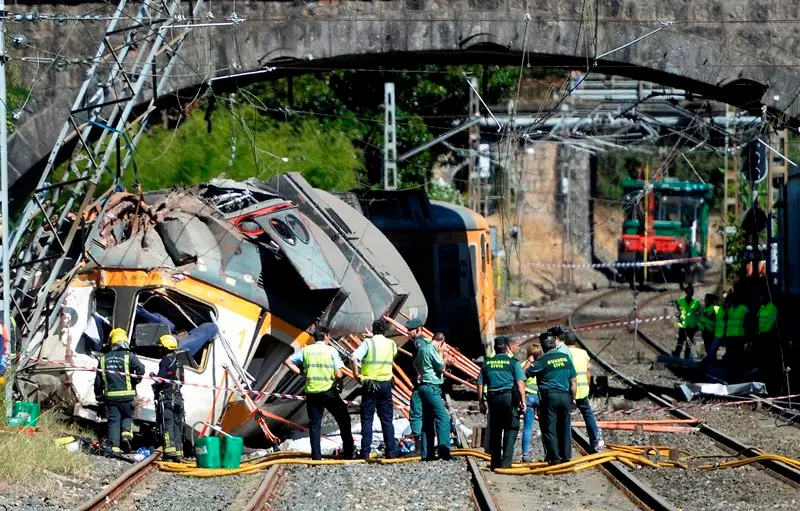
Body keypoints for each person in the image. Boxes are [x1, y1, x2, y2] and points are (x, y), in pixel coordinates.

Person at [284, 328, 354, 460]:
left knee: (315, 425)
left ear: (315, 338)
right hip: (329, 392)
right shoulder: (331, 351)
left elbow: (288, 361)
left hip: (312, 392)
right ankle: (349, 453)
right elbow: (339, 373)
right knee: (343, 419)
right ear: (326, 337)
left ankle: (316, 457)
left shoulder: (306, 350)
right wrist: (340, 383)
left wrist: (301, 373)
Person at [350, 318, 399, 459]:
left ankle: (365, 452)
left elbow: (353, 358)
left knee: (367, 419)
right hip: (385, 384)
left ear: (373, 329)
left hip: (370, 384)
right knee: (387, 419)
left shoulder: (368, 343)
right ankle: (391, 451)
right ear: (385, 330)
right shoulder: (391, 344)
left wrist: (356, 375)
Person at [526, 332, 577, 465]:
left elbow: (525, 374)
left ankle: (554, 458)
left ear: (543, 346)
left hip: (549, 397)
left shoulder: (542, 361)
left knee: (549, 428)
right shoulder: (566, 359)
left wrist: (529, 362)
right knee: (565, 427)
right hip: (565, 396)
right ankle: (566, 456)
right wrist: (572, 399)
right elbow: (573, 382)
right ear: (555, 342)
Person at [477, 336, 526, 470]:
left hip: (493, 398)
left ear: (495, 348)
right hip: (508, 398)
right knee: (511, 427)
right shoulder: (513, 363)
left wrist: (481, 402)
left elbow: (480, 384)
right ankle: (506, 463)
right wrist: (523, 401)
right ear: (507, 348)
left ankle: (495, 462)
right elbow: (520, 383)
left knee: (496, 430)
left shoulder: (487, 363)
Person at [94, 328, 145, 454]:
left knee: (113, 421)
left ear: (112, 342)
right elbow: (141, 369)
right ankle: (126, 436)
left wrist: (98, 395)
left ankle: (114, 447)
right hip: (128, 396)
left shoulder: (103, 359)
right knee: (127, 416)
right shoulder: (129, 356)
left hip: (111, 397)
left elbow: (98, 379)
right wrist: (134, 381)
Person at [410, 318, 452, 461]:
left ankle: (426, 454)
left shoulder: (422, 348)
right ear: (441, 341)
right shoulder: (431, 349)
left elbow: (415, 364)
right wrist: (444, 354)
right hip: (431, 387)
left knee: (427, 421)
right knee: (443, 418)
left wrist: (421, 373)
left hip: (423, 387)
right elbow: (441, 367)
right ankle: (444, 453)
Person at [564, 333, 604, 451]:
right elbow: (588, 373)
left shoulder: (564, 353)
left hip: (570, 390)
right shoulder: (583, 353)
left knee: (566, 416)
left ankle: (566, 446)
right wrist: (588, 386)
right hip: (583, 390)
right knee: (587, 414)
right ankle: (595, 440)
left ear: (564, 342)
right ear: (575, 342)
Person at [152, 334, 185, 462]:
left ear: (165, 348)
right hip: (178, 398)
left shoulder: (165, 361)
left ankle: (169, 453)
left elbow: (160, 379)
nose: (159, 349)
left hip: (167, 398)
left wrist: (153, 376)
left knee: (168, 424)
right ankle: (179, 453)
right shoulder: (179, 362)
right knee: (177, 425)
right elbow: (182, 381)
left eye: (161, 347)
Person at [520, 343, 543, 463]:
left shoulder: (523, 365)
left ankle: (525, 454)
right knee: (545, 426)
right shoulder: (542, 364)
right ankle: (549, 452)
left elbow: (520, 380)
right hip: (540, 397)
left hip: (528, 397)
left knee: (527, 427)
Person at [673, 285, 701, 359]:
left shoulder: (696, 302)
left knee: (689, 344)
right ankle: (676, 356)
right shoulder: (680, 302)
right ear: (686, 292)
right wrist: (677, 307)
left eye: (691, 293)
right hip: (683, 326)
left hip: (692, 326)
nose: (690, 294)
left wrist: (698, 325)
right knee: (680, 342)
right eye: (688, 292)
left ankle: (687, 357)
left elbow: (699, 314)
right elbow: (678, 312)